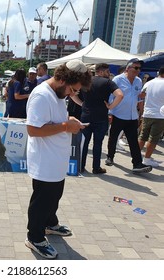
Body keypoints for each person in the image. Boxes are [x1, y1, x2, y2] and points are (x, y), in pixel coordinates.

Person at [25, 59, 92, 259]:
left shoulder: (58, 93)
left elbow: (56, 121)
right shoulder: (41, 96)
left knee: (54, 196)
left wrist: (70, 123)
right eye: (72, 89)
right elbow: (32, 129)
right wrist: (65, 127)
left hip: (56, 159)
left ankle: (50, 224)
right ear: (63, 80)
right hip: (45, 161)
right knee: (42, 200)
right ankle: (35, 237)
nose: (73, 94)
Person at [70, 63, 123, 174]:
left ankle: (81, 166)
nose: (109, 74)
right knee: (98, 144)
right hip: (101, 117)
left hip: (86, 116)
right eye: (107, 71)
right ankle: (96, 168)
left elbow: (72, 94)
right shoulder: (108, 82)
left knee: (84, 143)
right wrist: (110, 106)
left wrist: (82, 104)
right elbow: (120, 95)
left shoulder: (86, 82)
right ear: (101, 71)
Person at [105, 58, 152, 173]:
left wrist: (140, 113)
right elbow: (111, 97)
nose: (138, 70)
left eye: (139, 68)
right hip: (118, 114)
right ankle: (110, 156)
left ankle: (137, 164)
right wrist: (110, 113)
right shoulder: (118, 79)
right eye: (135, 68)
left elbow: (138, 97)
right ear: (128, 68)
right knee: (113, 137)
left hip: (132, 116)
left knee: (133, 141)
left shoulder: (138, 81)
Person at [138, 66, 164, 167]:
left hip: (147, 113)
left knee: (142, 136)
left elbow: (141, 95)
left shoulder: (149, 82)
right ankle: (147, 159)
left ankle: (136, 156)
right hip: (160, 115)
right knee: (153, 138)